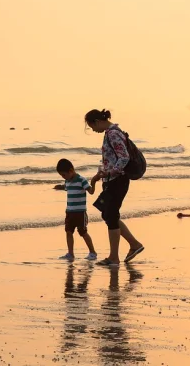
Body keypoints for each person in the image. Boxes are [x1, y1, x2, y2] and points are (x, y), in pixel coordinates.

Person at [84, 109, 145, 266]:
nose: (93, 130)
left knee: (111, 215)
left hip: (118, 180)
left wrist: (109, 172)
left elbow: (123, 157)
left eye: (92, 127)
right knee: (107, 213)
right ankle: (134, 245)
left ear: (97, 121)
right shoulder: (112, 132)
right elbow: (115, 157)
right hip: (114, 179)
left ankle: (113, 258)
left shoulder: (112, 134)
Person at [56, 158, 98, 261]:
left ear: (71, 171)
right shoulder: (67, 181)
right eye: (62, 176)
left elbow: (91, 191)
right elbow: (66, 187)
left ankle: (92, 252)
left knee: (83, 232)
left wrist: (93, 181)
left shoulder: (81, 180)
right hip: (69, 212)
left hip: (80, 212)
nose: (63, 177)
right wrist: (60, 187)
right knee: (68, 232)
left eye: (64, 175)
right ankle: (70, 253)